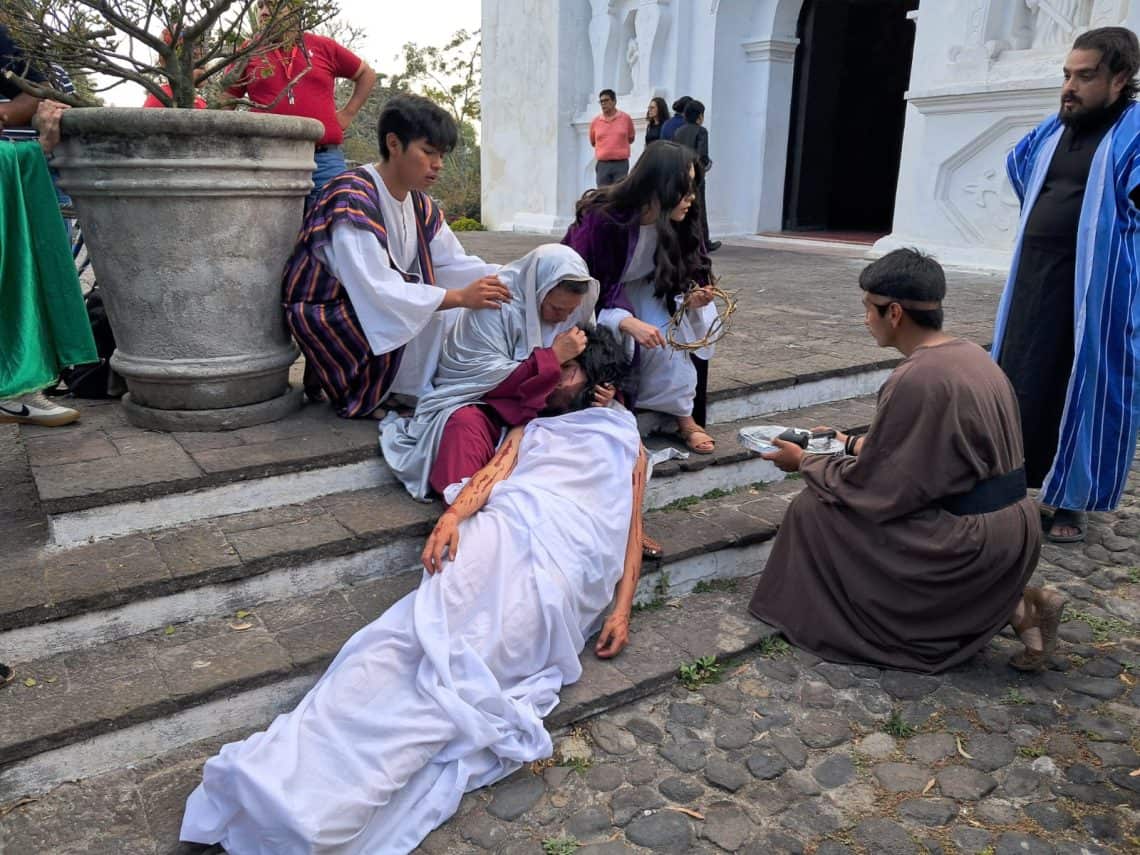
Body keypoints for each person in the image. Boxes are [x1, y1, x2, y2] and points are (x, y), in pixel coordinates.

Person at [179, 352, 647, 855]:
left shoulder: (627, 444)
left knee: (460, 678)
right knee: (397, 645)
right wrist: (451, 518)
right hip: (498, 535)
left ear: (599, 383)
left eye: (570, 372)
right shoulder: (530, 429)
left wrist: (622, 609)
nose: (555, 380)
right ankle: (279, 775)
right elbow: (490, 478)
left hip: (567, 565)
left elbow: (631, 530)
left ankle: (325, 811)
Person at [749, 249, 1057, 674]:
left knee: (815, 510)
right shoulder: (971, 355)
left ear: (893, 312)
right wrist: (848, 442)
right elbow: (933, 453)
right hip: (1016, 526)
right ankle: (1020, 611)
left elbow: (880, 492)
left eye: (867, 309)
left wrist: (804, 462)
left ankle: (846, 617)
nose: (864, 320)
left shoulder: (915, 378)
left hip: (970, 542)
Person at [995, 26, 1140, 544]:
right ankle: (1008, 485)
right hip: (1034, 278)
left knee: (1084, 387)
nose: (1070, 87)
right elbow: (1019, 166)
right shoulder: (1052, 130)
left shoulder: (1135, 133)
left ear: (1120, 78)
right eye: (1066, 75)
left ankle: (1072, 502)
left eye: (1085, 76)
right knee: (1019, 380)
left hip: (1099, 290)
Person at [282, 94, 509, 419]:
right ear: (393, 143)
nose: (438, 164)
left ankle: (411, 387)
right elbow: (374, 287)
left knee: (476, 310)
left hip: (375, 302)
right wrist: (458, 297)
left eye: (441, 155)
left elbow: (452, 264)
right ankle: (376, 390)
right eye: (428, 152)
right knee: (438, 315)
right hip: (332, 315)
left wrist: (511, 276)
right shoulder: (352, 197)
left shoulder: (420, 204)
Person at [382, 244, 616, 501]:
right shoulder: (496, 303)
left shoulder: (573, 312)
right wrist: (553, 358)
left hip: (543, 406)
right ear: (536, 291)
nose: (563, 319)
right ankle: (468, 505)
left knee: (598, 431)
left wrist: (599, 392)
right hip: (483, 402)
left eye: (570, 311)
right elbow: (484, 378)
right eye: (556, 309)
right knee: (464, 426)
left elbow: (593, 362)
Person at [563, 140, 718, 455]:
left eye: (693, 188)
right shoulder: (605, 219)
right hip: (598, 294)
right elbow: (581, 280)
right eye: (684, 188)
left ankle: (684, 418)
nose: (690, 198)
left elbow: (694, 266)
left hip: (649, 286)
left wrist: (694, 295)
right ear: (659, 185)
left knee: (669, 341)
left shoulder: (681, 219)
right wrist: (624, 320)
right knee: (631, 340)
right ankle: (623, 409)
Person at [0, 34, 90, 428]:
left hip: (34, 166)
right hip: (17, 162)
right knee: (17, 277)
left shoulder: (33, 32)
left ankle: (22, 383)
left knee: (35, 276)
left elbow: (49, 97)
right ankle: (16, 386)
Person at [224, 0, 378, 208]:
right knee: (272, 234)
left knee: (335, 226)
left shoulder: (323, 46)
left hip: (323, 159)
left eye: (270, 4)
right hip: (269, 159)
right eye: (259, 6)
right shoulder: (249, 51)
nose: (263, 11)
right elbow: (225, 100)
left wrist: (347, 114)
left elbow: (365, 74)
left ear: (294, 8)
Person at [672, 98, 720, 252]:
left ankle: (682, 240)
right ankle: (704, 242)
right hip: (695, 175)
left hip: (680, 173)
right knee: (699, 209)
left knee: (682, 208)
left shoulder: (678, 131)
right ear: (700, 116)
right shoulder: (701, 131)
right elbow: (702, 155)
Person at [142, 29, 208, 108]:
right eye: (193, 55)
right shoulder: (162, 98)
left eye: (202, 53)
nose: (201, 62)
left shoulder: (197, 101)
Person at [589, 88, 635, 187]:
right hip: (603, 165)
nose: (603, 104)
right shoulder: (595, 122)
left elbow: (631, 138)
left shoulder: (626, 119)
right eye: (601, 101)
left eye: (606, 100)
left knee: (620, 195)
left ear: (614, 101)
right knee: (602, 196)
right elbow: (593, 142)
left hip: (621, 164)